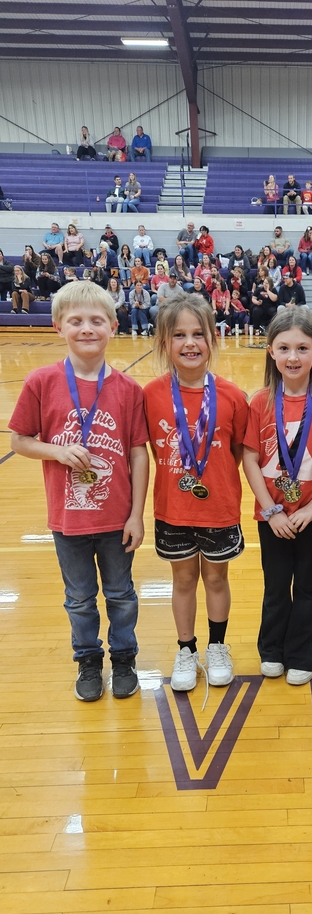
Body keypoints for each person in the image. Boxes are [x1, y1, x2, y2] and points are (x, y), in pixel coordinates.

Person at [9, 281, 149, 701]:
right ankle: (88, 660)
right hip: (67, 520)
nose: (86, 329)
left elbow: (139, 454)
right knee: (80, 599)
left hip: (116, 518)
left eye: (96, 320)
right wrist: (56, 450)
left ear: (112, 325)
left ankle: (124, 657)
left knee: (121, 595)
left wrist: (138, 514)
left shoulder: (129, 390)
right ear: (58, 326)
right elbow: (19, 440)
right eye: (76, 321)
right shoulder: (41, 381)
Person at [143, 293, 248, 691]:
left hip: (218, 508)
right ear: (164, 342)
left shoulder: (233, 396)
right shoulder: (150, 395)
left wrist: (209, 478)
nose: (190, 343)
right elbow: (148, 449)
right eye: (179, 335)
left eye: (198, 334)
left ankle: (217, 647)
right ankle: (186, 649)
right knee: (184, 581)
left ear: (213, 339)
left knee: (217, 580)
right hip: (172, 510)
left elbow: (238, 451)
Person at [243, 307, 312, 683]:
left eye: (302, 348)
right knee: (276, 583)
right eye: (284, 348)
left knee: (307, 585)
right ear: (271, 352)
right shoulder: (260, 401)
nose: (293, 357)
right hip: (273, 515)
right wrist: (272, 510)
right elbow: (249, 457)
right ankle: (272, 650)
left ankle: (301, 655)